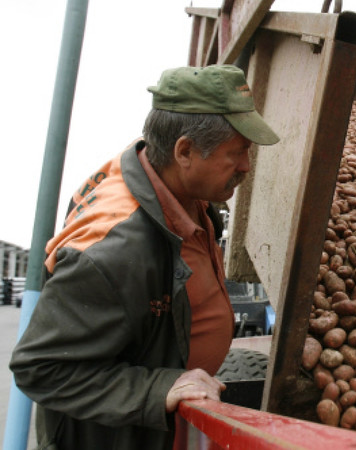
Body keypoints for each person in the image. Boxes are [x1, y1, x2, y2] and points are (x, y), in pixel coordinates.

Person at [10, 65, 279, 450]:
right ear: (184, 151)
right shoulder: (113, 254)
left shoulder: (171, 178)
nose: (246, 167)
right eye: (235, 153)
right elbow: (40, 368)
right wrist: (159, 387)